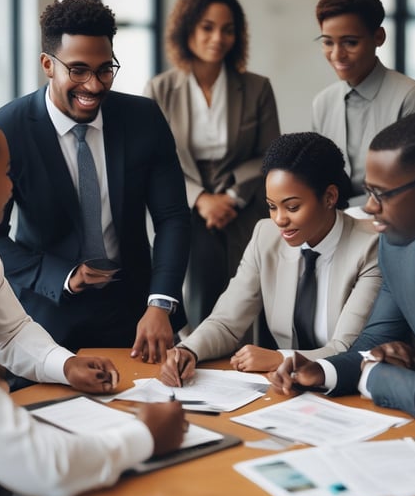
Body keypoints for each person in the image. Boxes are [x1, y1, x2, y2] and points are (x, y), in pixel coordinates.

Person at [0, 89, 186, 496]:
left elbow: (10, 333)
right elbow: (37, 465)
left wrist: (64, 364)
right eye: (8, 172)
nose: (13, 184)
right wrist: (145, 437)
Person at [0, 0, 191, 363]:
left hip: (138, 314)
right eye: (78, 70)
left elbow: (172, 217)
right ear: (48, 65)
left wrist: (160, 303)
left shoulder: (143, 118)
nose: (93, 86)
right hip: (47, 315)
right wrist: (60, 275)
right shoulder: (6, 130)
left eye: (104, 69)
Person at [272, 112, 415, 438]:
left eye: (382, 194)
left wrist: (374, 378)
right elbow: (373, 343)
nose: (368, 207)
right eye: (368, 190)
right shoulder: (397, 248)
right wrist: (322, 371)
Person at [160, 132, 382, 387]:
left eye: (292, 207)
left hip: (344, 391)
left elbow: (345, 349)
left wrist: (279, 359)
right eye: (272, 206)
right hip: (284, 391)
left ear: (330, 197)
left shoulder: (369, 247)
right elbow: (226, 322)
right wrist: (189, 351)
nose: (279, 219)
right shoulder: (265, 236)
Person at [144, 0, 280, 329]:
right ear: (186, 29)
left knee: (254, 293)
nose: (218, 37)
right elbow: (154, 160)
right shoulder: (160, 89)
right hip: (186, 202)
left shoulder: (256, 87)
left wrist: (232, 197)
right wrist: (201, 199)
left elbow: (269, 153)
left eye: (228, 29)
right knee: (201, 292)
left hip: (245, 200)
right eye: (207, 27)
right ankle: (201, 362)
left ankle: (258, 366)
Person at [312, 0, 415, 206]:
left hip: (392, 222)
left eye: (350, 42)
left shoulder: (411, 96)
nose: (337, 54)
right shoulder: (323, 102)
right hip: (334, 224)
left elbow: (413, 181)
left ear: (378, 37)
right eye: (328, 42)